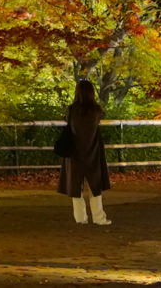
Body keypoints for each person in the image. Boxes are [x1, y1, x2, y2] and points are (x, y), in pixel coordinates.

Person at [59, 79, 111, 225]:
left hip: (75, 152)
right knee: (95, 186)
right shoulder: (96, 111)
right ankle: (99, 218)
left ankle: (80, 218)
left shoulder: (72, 110)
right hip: (92, 151)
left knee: (75, 187)